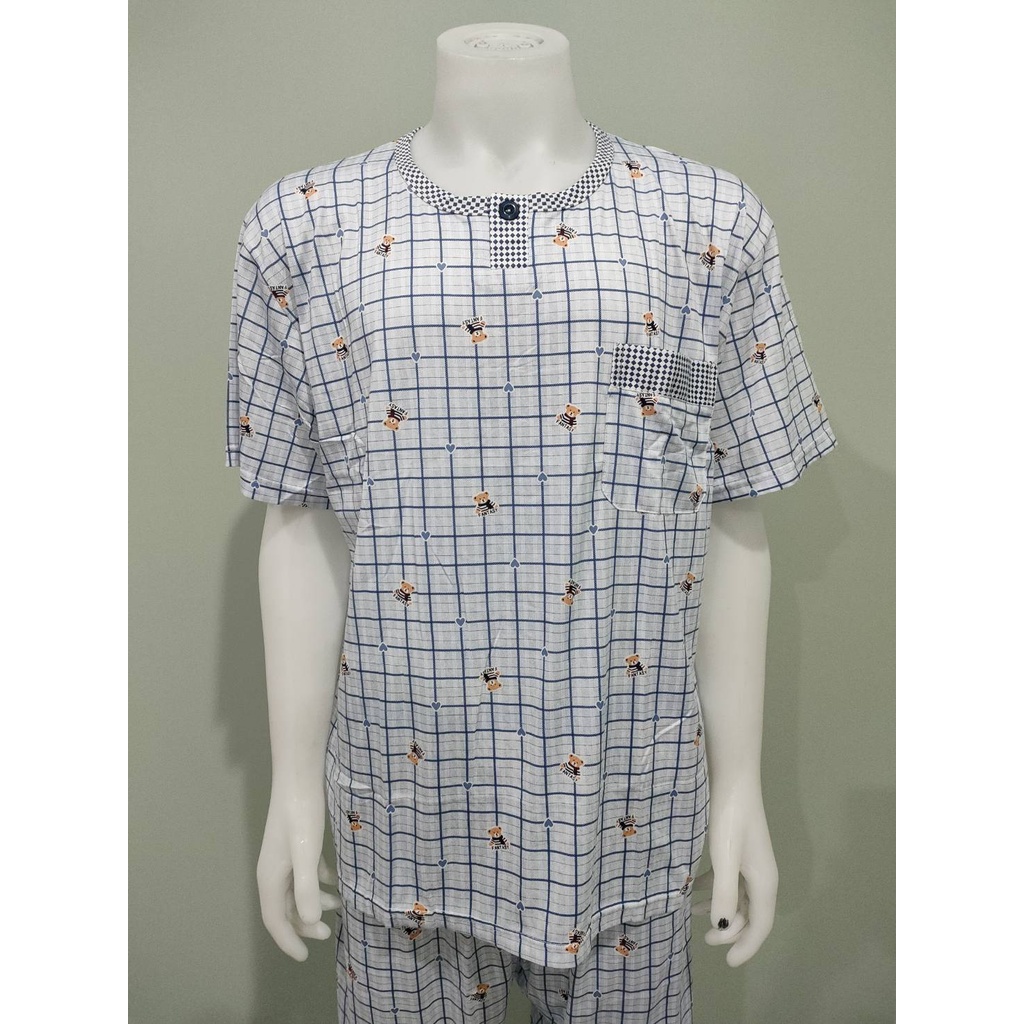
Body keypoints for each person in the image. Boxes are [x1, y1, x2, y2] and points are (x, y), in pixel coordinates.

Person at [224, 21, 838, 1024]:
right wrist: (293, 785)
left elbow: (731, 514)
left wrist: (740, 789)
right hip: (404, 810)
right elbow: (300, 520)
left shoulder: (709, 222)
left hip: (625, 815)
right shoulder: (302, 228)